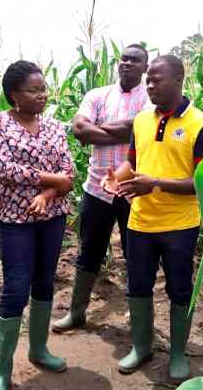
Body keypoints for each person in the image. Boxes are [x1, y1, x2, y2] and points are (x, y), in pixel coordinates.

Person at [101, 55, 203, 382]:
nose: (149, 85)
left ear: (180, 79)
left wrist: (154, 184)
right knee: (138, 287)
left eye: (157, 80)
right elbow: (132, 162)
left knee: (180, 290)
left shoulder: (202, 125)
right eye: (148, 80)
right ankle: (142, 347)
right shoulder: (140, 120)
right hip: (140, 222)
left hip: (180, 225)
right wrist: (116, 179)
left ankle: (178, 353)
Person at [0, 60, 74, 390]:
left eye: (44, 89)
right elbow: (6, 169)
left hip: (52, 217)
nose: (43, 95)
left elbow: (69, 173)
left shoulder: (54, 127)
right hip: (15, 221)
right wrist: (53, 181)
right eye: (34, 90)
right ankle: (2, 373)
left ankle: (38, 349)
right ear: (13, 94)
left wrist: (47, 195)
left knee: (45, 283)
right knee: (16, 289)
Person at [52, 44, 152, 333]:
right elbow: (79, 129)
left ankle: (139, 322)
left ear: (145, 67)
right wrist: (121, 130)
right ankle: (76, 312)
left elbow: (140, 128)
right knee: (89, 251)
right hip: (97, 188)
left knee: (136, 255)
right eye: (124, 58)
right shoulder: (97, 94)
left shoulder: (150, 96)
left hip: (134, 188)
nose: (128, 63)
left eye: (136, 60)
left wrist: (99, 127)